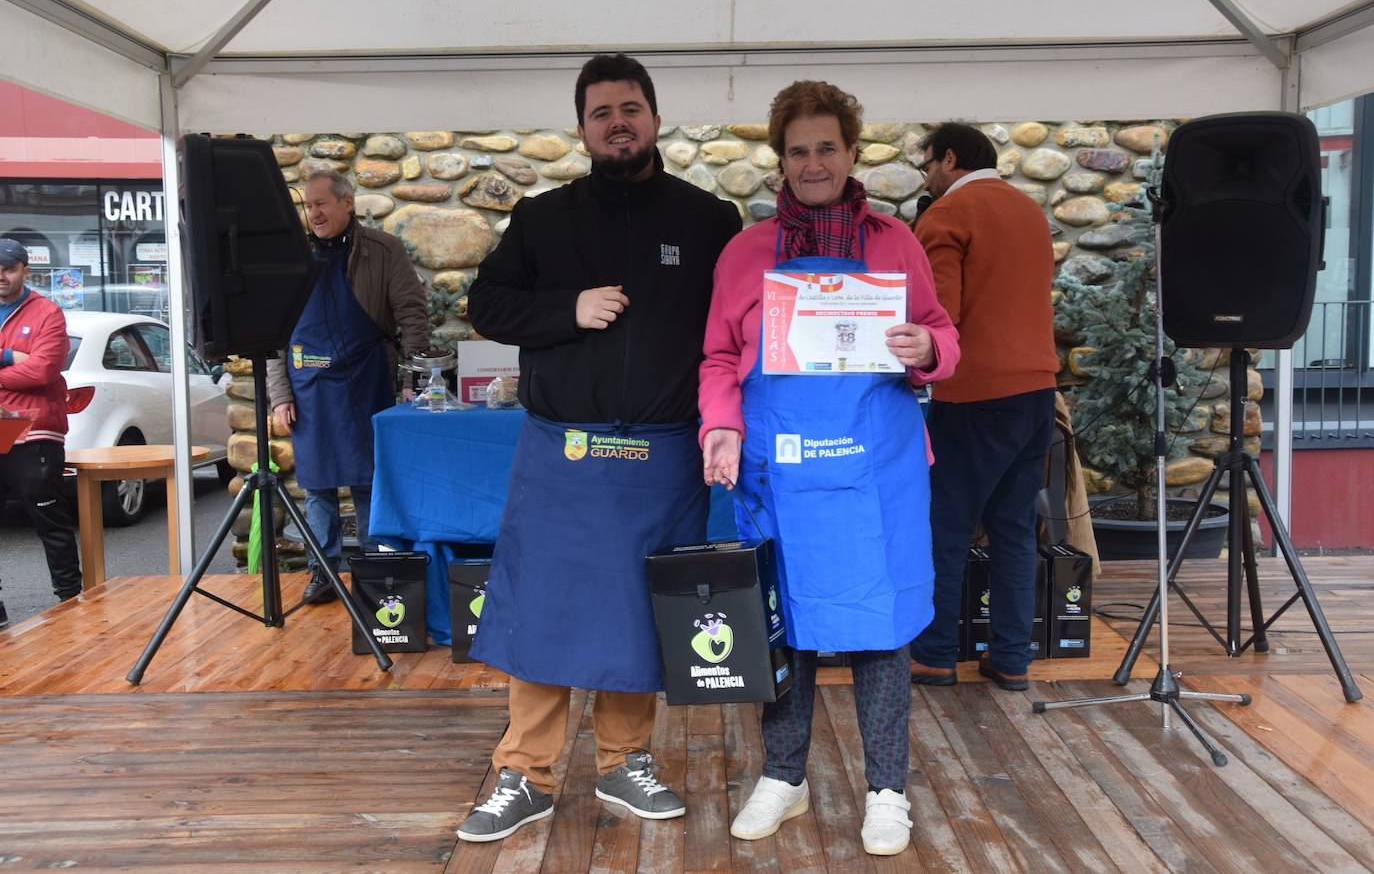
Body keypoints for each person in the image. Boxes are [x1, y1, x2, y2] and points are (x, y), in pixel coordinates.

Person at [455, 54, 741, 843]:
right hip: (562, 452)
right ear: (581, 128)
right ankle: (525, 773)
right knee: (540, 609)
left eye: (631, 107)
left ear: (654, 117)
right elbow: (486, 304)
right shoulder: (543, 219)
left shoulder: (709, 221)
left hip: (664, 456)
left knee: (637, 614)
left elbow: (733, 332)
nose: (617, 122)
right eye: (601, 112)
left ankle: (625, 762)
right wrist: (565, 309)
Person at [699, 81, 959, 856]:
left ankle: (887, 791)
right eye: (798, 150)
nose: (813, 164)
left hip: (874, 472)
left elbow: (941, 333)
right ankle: (786, 774)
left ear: (851, 154)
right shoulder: (745, 253)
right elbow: (717, 356)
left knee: (880, 628)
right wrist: (720, 425)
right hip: (779, 473)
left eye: (827, 148)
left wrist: (927, 351)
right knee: (786, 624)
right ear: (780, 158)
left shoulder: (895, 242)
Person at [908, 122, 1059, 691]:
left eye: (927, 165)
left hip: (973, 394)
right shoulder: (1029, 210)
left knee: (946, 527)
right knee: (1015, 529)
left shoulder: (947, 214)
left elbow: (940, 315)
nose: (926, 177)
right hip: (1037, 390)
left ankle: (935, 655)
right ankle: (1012, 659)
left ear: (950, 159)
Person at [266, 171, 429, 603]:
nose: (314, 213)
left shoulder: (382, 250)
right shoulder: (289, 256)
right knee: (316, 488)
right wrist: (280, 394)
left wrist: (415, 379)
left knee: (368, 483)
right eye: (308, 205)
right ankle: (323, 573)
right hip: (308, 390)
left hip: (366, 379)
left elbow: (412, 315)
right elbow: (272, 335)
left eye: (321, 204)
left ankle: (377, 570)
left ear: (347, 203)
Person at [0, 237, 82, 626]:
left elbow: (43, 371)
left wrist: (13, 363)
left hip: (34, 430)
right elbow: (26, 369)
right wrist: (10, 357)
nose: (1, 276)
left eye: (9, 268)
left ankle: (70, 603)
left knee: (50, 522)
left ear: (24, 270)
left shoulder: (48, 313)